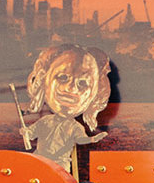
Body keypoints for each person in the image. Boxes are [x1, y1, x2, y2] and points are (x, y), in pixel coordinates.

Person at [21, 44, 112, 176]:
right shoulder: (45, 121)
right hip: (39, 162)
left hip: (60, 165)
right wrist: (25, 132)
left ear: (95, 93)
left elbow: (80, 139)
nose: (71, 89)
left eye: (82, 83)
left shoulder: (75, 127)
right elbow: (31, 133)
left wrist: (92, 140)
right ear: (44, 79)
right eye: (63, 78)